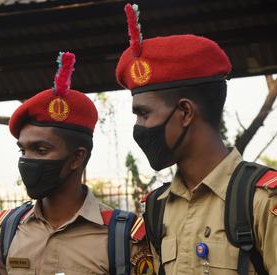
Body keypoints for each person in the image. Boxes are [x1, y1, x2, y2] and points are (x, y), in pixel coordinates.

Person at [116, 4, 277, 275]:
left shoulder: (260, 202)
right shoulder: (157, 208)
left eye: (144, 114)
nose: (138, 128)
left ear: (185, 112)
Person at [0, 52, 152, 275]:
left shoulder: (122, 237)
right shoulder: (10, 229)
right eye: (23, 149)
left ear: (77, 158)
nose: (27, 160)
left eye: (41, 150)